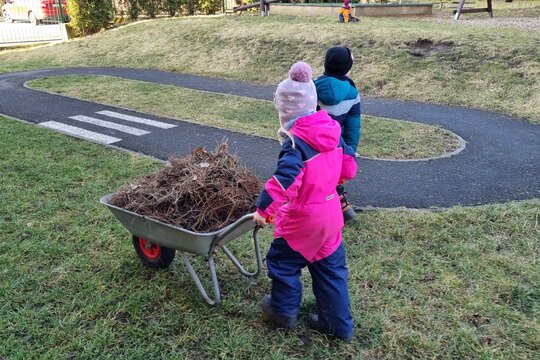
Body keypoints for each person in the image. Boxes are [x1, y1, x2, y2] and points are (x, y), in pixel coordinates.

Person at [252, 62, 358, 341]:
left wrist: (263, 209)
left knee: (283, 262)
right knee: (331, 270)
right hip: (331, 215)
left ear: (284, 112)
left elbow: (285, 180)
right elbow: (349, 169)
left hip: (303, 220)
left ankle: (282, 311)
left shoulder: (296, 143)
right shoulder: (333, 130)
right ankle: (337, 325)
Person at [314, 46, 361, 222]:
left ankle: (323, 207)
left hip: (311, 143)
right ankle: (340, 204)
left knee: (313, 176)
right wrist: (350, 150)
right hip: (337, 144)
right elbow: (353, 126)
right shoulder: (352, 92)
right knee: (333, 175)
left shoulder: (311, 87)